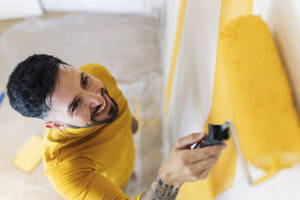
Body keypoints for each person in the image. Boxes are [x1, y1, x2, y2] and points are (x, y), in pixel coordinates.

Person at [6, 54, 227, 200]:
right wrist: (169, 178)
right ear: (54, 124)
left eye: (84, 81)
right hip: (111, 181)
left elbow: (119, 108)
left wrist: (130, 125)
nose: (98, 99)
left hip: (122, 161)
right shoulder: (66, 171)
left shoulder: (97, 72)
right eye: (75, 105)